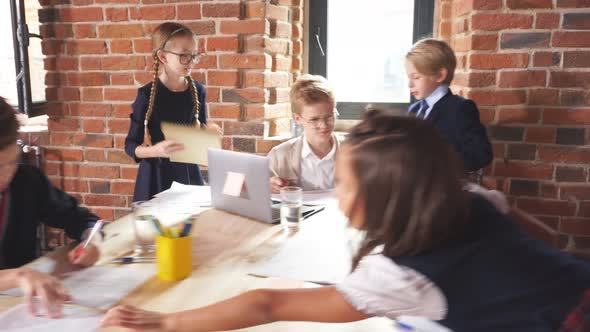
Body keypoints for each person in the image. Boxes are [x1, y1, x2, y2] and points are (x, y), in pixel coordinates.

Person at [101, 109, 590, 331]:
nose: (337, 193)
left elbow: (267, 306)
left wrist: (163, 322)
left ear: (387, 199)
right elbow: (544, 239)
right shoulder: (467, 197)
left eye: (346, 185)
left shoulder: (404, 274)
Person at [0, 96, 99, 317]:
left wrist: (90, 241)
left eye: (11, 162)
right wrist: (17, 276)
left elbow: (81, 219)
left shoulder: (26, 181)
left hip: (29, 309)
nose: (6, 175)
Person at [125, 22, 218, 202]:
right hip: (155, 180)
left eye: (193, 56)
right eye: (184, 56)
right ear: (163, 56)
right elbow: (130, 146)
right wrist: (156, 150)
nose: (190, 62)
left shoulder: (198, 90)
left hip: (189, 176)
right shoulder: (145, 95)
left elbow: (198, 136)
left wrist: (209, 134)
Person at [405, 38, 493, 173]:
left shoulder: (460, 109)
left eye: (416, 77)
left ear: (440, 75)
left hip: (444, 187)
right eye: (408, 77)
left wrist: (438, 166)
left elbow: (481, 155)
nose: (409, 84)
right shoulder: (414, 109)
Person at [268, 74, 341, 193]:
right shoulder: (279, 155)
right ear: (297, 119)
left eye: (329, 116)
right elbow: (234, 189)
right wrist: (265, 186)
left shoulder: (354, 152)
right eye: (314, 119)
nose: (323, 125)